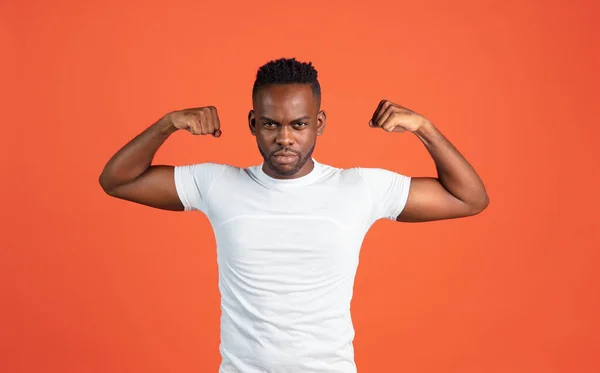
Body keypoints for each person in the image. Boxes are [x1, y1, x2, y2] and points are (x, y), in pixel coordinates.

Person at [99, 57, 489, 373]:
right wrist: (168, 124)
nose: (285, 138)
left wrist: (424, 128)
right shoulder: (218, 183)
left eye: (299, 124)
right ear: (253, 124)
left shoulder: (358, 188)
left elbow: (468, 198)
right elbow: (117, 180)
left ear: (318, 124)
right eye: (271, 124)